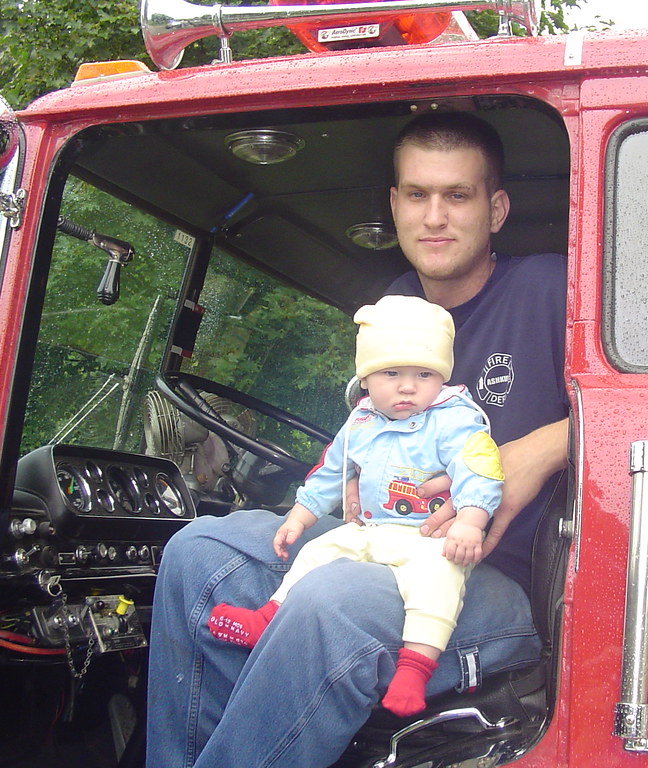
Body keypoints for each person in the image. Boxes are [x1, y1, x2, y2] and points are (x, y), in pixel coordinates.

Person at [146, 111, 569, 768]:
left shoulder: (548, 288)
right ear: (395, 205)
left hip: (490, 581)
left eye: (458, 195)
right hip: (380, 545)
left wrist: (541, 449)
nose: (436, 216)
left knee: (334, 597)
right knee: (199, 551)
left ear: (497, 208)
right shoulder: (396, 305)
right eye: (419, 195)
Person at [207, 294, 505, 717]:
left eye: (424, 373)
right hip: (371, 529)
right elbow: (331, 470)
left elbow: (481, 471)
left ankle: (415, 668)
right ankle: (269, 617)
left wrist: (471, 522)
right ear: (364, 380)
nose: (407, 386)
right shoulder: (361, 421)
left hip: (430, 537)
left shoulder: (455, 419)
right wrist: (299, 515)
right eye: (390, 373)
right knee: (316, 551)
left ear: (442, 376)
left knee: (439, 583)